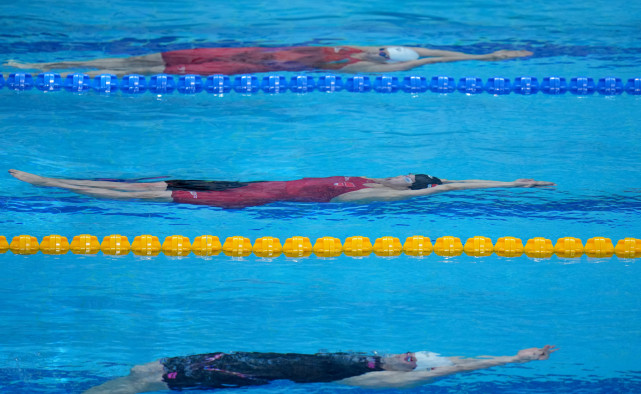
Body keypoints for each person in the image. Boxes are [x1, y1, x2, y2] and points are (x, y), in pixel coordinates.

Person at [82, 346, 558, 393]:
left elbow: (445, 373)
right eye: (414, 353)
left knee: (139, 382)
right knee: (140, 369)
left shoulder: (373, 377)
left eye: (417, 363)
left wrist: (509, 362)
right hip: (226, 357)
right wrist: (508, 354)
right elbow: (454, 360)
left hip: (234, 374)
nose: (410, 358)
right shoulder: (374, 356)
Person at [9, 169, 555, 209]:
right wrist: (510, 178)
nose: (402, 175)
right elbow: (454, 180)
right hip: (248, 183)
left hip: (249, 199)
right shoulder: (376, 177)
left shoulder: (378, 195)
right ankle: (55, 178)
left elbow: (442, 190)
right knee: (149, 183)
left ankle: (50, 185)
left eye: (410, 179)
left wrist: (509, 187)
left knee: (145, 198)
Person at [5, 45, 533, 76]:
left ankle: (44, 72)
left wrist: (489, 56)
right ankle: (37, 69)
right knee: (136, 57)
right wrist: (487, 52)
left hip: (245, 67)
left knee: (144, 71)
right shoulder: (354, 48)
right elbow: (434, 52)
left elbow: (423, 62)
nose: (379, 50)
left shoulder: (364, 67)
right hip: (232, 51)